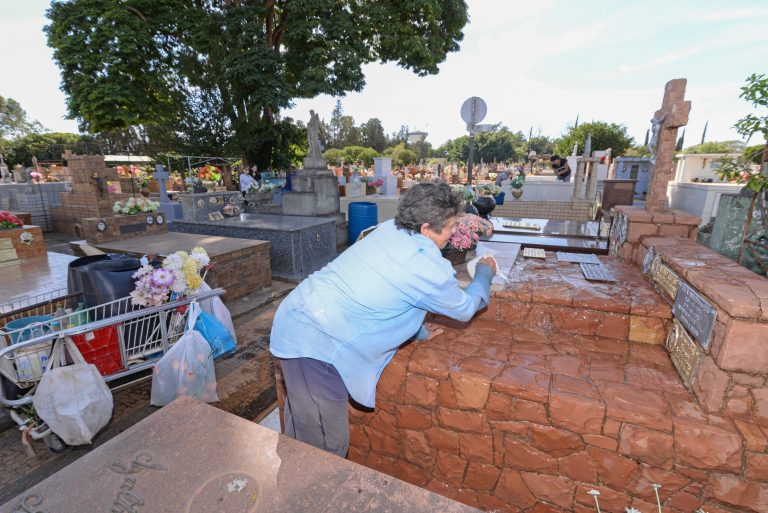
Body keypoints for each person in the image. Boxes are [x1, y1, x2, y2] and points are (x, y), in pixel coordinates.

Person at [270, 182, 497, 457]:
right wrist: (484, 273)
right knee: (325, 446)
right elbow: (464, 308)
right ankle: (308, 495)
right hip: (316, 345)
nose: (452, 233)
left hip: (300, 319)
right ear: (426, 228)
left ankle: (291, 488)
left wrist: (418, 331)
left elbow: (383, 291)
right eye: (449, 226)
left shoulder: (390, 228)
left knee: (301, 431)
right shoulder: (426, 265)